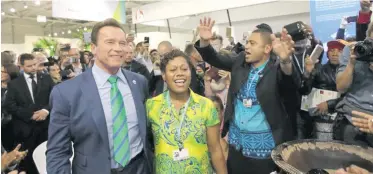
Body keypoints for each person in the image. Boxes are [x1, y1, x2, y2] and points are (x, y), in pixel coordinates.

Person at [46, 18, 153, 174]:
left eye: (122, 43)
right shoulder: (66, 93)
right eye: (110, 42)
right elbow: (57, 152)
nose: (118, 48)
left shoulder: (139, 82)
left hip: (139, 168)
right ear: (93, 48)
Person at [195, 17, 300, 174]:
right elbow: (215, 58)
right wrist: (204, 43)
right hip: (237, 148)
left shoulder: (276, 70)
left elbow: (291, 86)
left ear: (267, 48)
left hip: (265, 153)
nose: (247, 46)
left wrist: (285, 61)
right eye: (247, 42)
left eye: (252, 43)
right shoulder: (240, 62)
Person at [146, 50, 227, 174]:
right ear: (163, 75)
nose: (179, 74)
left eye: (184, 69)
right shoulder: (151, 106)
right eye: (173, 70)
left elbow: (215, 149)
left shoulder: (206, 106)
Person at [5, 53, 54, 174]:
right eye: (29, 66)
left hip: (46, 128)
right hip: (25, 130)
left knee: (46, 160)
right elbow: (10, 106)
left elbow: (56, 98)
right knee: (27, 164)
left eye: (34, 64)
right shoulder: (14, 84)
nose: (33, 68)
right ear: (21, 66)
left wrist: (45, 111)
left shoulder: (47, 79)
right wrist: (30, 115)